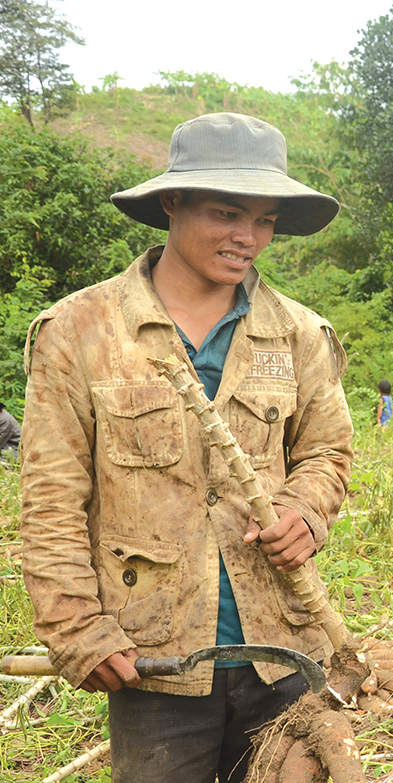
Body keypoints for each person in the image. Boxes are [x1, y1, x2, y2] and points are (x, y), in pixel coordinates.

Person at [19, 112, 354, 783]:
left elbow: (327, 452)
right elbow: (51, 500)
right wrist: (78, 629)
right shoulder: (80, 333)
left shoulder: (298, 334)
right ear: (172, 202)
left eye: (264, 220)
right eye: (228, 213)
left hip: (282, 654)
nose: (247, 237)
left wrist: (304, 509)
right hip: (154, 663)